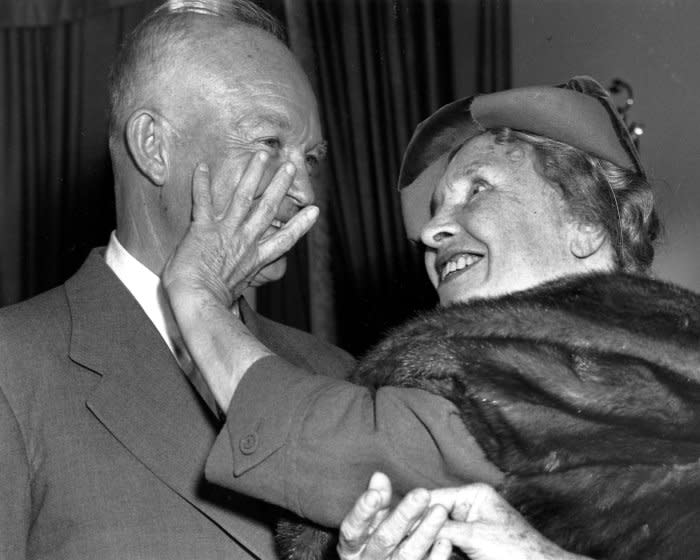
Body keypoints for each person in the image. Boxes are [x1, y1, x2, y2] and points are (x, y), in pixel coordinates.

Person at [164, 76, 700, 560]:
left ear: (586, 223)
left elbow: (361, 449)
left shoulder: (620, 361)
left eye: (479, 189)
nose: (431, 230)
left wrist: (197, 293)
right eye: (439, 207)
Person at [0, 1, 358, 557]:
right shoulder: (14, 367)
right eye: (269, 144)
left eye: (310, 159)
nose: (305, 193)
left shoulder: (338, 377)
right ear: (154, 147)